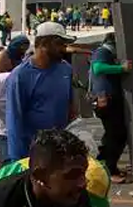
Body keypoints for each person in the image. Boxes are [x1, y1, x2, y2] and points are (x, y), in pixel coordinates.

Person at [5, 23, 79, 162]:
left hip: (60, 151)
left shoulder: (66, 69)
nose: (64, 48)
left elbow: (70, 108)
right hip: (33, 154)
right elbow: (14, 121)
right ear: (44, 43)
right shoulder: (19, 77)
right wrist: (18, 161)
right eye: (59, 44)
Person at [90, 33, 133, 182]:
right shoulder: (103, 52)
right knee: (116, 134)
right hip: (105, 99)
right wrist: (121, 68)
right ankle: (108, 168)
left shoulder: (107, 54)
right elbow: (98, 68)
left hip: (109, 98)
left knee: (113, 134)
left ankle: (103, 165)